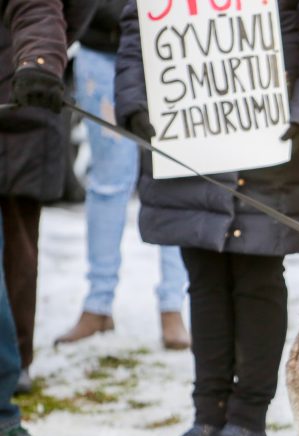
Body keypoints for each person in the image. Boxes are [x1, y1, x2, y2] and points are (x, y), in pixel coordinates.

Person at [116, 0, 299, 436]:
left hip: (270, 126)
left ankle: (248, 420)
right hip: (188, 125)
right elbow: (137, 23)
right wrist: (136, 103)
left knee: (255, 273)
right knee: (203, 273)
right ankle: (209, 414)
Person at [55, 0, 190, 351]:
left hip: (172, 46)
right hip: (103, 49)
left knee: (175, 179)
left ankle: (172, 305)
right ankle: (98, 303)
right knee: (107, 184)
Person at [0, 0, 95, 436]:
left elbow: (40, 7)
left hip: (22, 98)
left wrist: (39, 60)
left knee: (16, 247)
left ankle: (11, 372)